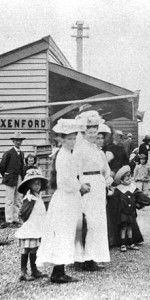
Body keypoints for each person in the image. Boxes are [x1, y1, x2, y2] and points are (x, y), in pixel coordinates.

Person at [36, 118, 90, 284]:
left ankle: (59, 270)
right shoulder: (63, 156)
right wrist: (80, 186)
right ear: (62, 139)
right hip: (65, 199)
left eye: (74, 138)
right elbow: (64, 182)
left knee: (66, 233)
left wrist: (79, 184)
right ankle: (58, 272)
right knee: (62, 233)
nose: (72, 141)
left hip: (69, 199)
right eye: (69, 139)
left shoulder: (68, 154)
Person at [74, 111, 113, 271]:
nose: (92, 135)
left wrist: (108, 180)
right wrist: (79, 186)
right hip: (87, 185)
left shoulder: (98, 151)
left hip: (99, 186)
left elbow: (106, 170)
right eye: (89, 132)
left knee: (98, 222)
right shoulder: (79, 149)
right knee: (87, 221)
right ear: (83, 133)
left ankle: (94, 256)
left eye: (95, 132)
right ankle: (83, 258)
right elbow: (74, 172)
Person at [15, 168, 48, 281]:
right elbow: (23, 212)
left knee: (34, 249)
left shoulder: (37, 196)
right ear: (29, 184)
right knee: (27, 249)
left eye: (39, 182)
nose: (37, 185)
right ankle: (23, 272)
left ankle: (34, 270)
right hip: (31, 227)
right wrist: (25, 222)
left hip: (37, 227)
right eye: (34, 183)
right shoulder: (30, 197)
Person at [113, 165, 150, 251]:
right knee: (123, 228)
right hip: (122, 212)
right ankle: (122, 243)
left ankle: (131, 243)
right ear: (121, 181)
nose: (129, 180)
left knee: (130, 227)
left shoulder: (133, 188)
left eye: (130, 178)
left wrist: (139, 204)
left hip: (131, 212)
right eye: (127, 179)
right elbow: (115, 202)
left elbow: (141, 198)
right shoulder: (119, 190)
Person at [0, 132, 26, 228]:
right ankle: (9, 220)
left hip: (19, 178)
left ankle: (16, 219)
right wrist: (7, 175)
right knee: (10, 200)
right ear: (13, 141)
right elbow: (2, 167)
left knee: (18, 199)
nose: (18, 142)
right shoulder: (8, 153)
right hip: (10, 179)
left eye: (20, 141)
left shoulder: (22, 153)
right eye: (16, 140)